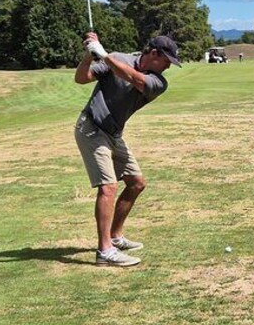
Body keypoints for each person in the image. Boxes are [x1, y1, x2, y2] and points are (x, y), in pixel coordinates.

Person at [74, 32, 180, 267]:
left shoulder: (158, 82)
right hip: (91, 127)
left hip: (113, 133)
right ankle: (105, 251)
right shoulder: (118, 58)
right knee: (109, 187)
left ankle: (115, 236)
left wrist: (104, 55)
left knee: (136, 183)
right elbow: (82, 79)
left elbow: (136, 80)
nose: (168, 67)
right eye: (167, 61)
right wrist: (88, 55)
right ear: (154, 54)